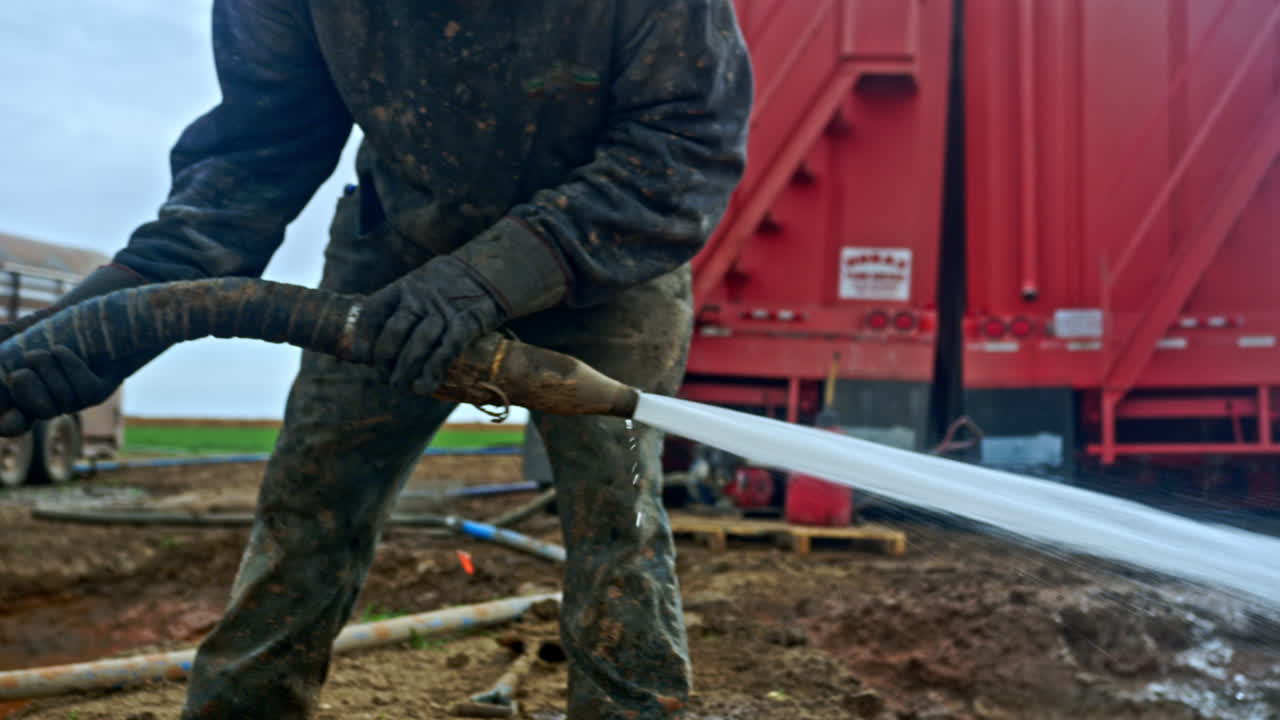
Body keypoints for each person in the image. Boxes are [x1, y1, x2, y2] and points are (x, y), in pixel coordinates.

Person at [0, 1, 752, 718]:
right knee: (310, 507)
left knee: (617, 523)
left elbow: (685, 144)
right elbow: (259, 152)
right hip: (398, 249)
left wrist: (485, 278)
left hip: (605, 256)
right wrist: (107, 316)